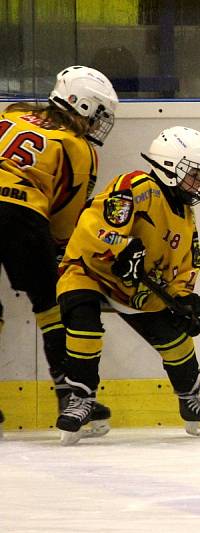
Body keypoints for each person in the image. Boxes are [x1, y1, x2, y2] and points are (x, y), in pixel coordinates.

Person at [54, 126, 200, 445]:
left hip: (135, 286)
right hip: (90, 270)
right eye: (193, 174)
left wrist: (184, 299)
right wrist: (121, 248)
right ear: (169, 166)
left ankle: (191, 399)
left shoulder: (185, 215)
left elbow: (187, 265)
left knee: (175, 338)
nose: (199, 183)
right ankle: (81, 398)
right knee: (84, 323)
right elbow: (94, 228)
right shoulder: (135, 186)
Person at [0, 65, 117, 434]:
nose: (99, 124)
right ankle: (70, 396)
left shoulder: (11, 115)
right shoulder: (77, 147)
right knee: (51, 303)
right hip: (21, 214)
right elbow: (66, 225)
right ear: (80, 105)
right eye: (98, 114)